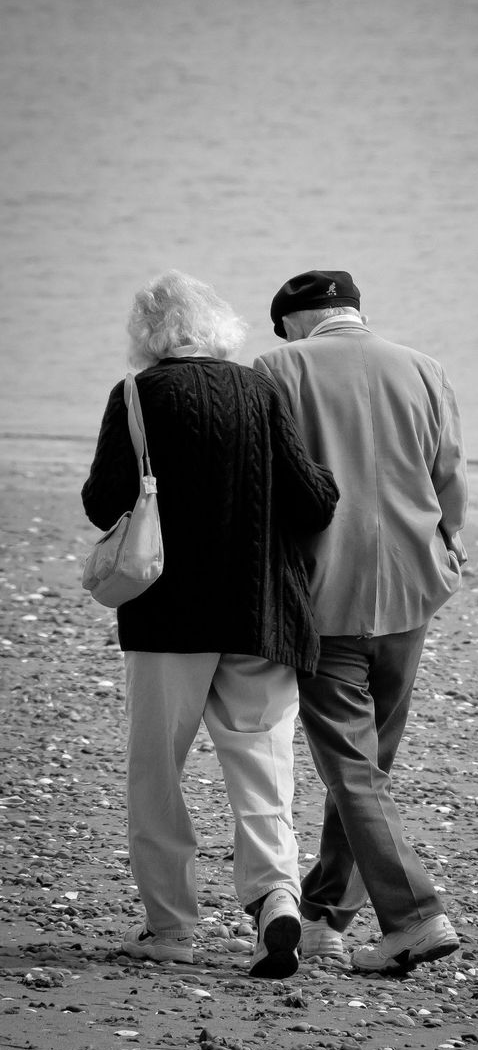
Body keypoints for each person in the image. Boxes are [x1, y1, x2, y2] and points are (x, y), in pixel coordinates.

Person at [82, 270, 339, 979]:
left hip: (169, 617)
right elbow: (314, 499)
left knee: (156, 772)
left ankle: (171, 927)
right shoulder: (260, 389)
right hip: (262, 615)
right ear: (218, 325)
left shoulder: (138, 395)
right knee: (263, 770)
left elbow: (105, 502)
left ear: (147, 333)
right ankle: (276, 905)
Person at [253, 269, 467, 974]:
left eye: (280, 324)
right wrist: (448, 550)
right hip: (411, 590)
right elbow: (448, 474)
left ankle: (413, 917)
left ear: (296, 321)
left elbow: (271, 482)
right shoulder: (426, 368)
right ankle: (325, 916)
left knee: (353, 770)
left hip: (327, 594)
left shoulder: (277, 368)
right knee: (367, 769)